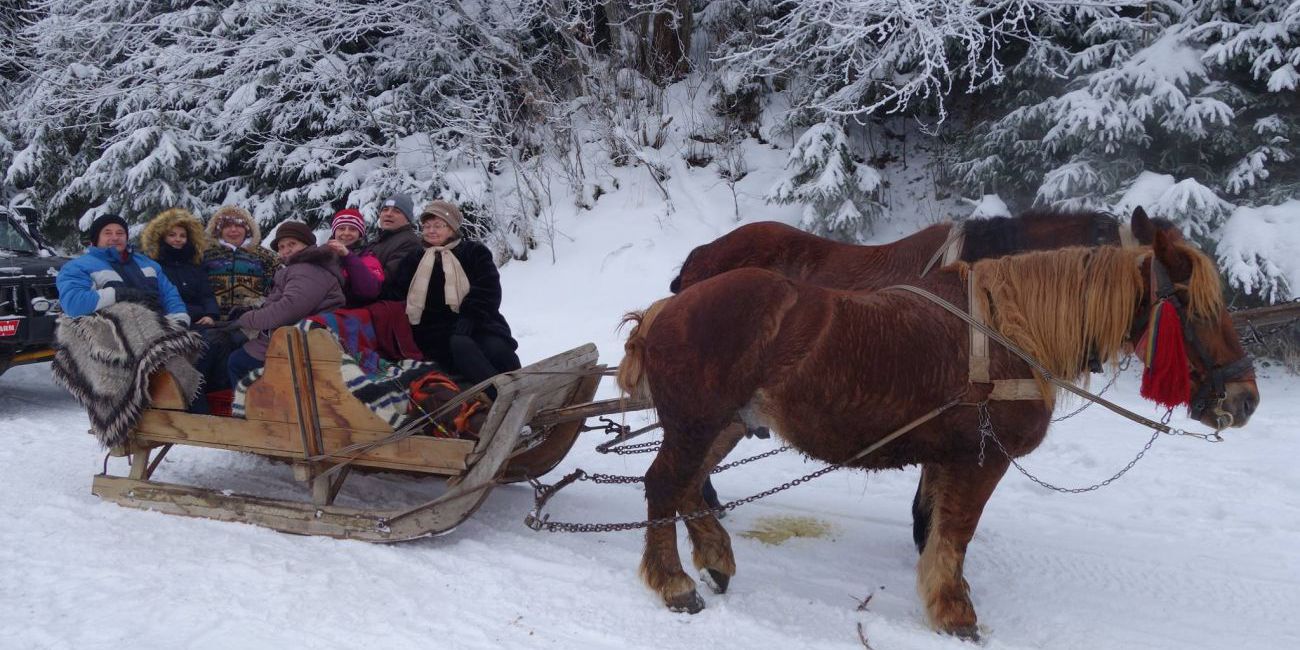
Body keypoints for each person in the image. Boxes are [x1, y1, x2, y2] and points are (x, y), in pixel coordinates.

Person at [387, 200, 520, 393]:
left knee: (497, 348)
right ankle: (500, 396)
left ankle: (524, 389)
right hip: (432, 332)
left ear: (452, 229)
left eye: (438, 226)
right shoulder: (413, 259)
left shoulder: (473, 252)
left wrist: (470, 317)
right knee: (460, 345)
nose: (431, 231)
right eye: (427, 226)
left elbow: (488, 289)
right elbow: (397, 294)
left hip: (478, 321)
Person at [226, 221, 345, 388]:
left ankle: (255, 410)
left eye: (292, 244)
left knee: (237, 361)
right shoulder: (302, 267)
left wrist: (246, 320)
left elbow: (289, 308)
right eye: (281, 247)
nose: (286, 250)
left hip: (301, 344)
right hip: (292, 336)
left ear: (308, 244)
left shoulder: (308, 269)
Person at [56, 214, 189, 327]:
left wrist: (180, 319)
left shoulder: (148, 264)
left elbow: (169, 295)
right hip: (110, 339)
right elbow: (74, 304)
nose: (115, 237)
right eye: (107, 233)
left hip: (157, 330)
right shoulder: (78, 266)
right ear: (96, 239)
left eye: (120, 233)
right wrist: (118, 294)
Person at [140, 208, 220, 326]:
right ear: (162, 237)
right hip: (169, 322)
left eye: (182, 236)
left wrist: (210, 315)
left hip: (200, 321)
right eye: (172, 235)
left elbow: (207, 294)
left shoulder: (195, 264)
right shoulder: (153, 265)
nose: (178, 239)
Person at [202, 205, 280, 319]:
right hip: (212, 321)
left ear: (247, 229)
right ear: (219, 230)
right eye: (227, 226)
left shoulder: (265, 256)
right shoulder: (205, 255)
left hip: (253, 322)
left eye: (239, 225)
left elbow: (278, 287)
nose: (233, 230)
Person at [324, 208, 384, 307]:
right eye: (341, 228)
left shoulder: (369, 259)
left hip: (350, 313)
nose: (346, 233)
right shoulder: (324, 255)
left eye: (352, 229)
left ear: (360, 234)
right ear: (334, 232)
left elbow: (370, 291)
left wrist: (348, 256)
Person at [362, 193, 423, 279]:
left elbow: (389, 278)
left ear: (407, 219)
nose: (389, 214)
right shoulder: (380, 239)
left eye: (396, 211)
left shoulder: (409, 243)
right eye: (385, 209)